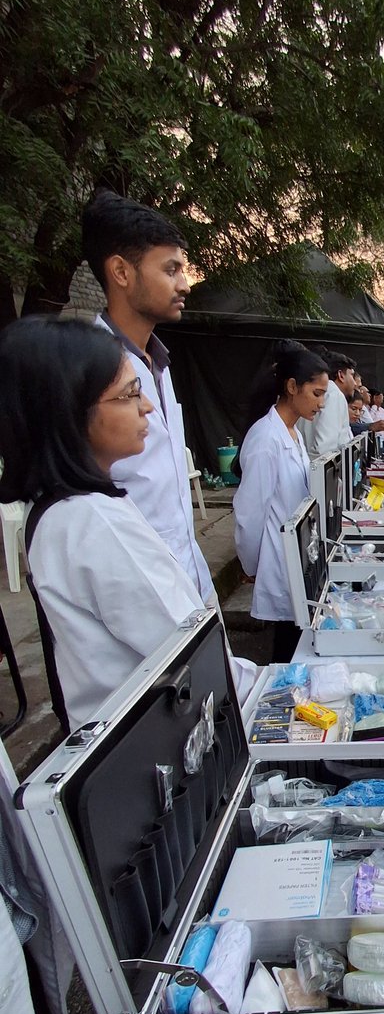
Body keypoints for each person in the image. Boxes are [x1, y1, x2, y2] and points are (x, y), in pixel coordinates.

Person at [0, 318, 257, 729]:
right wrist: (280, 689)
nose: (148, 407)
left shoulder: (60, 510)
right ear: (70, 409)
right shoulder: (94, 522)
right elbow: (191, 649)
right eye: (129, 394)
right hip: (155, 742)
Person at [82, 189, 214, 601]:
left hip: (183, 576)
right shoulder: (89, 373)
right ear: (121, 272)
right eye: (171, 269)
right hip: (135, 594)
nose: (185, 285)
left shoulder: (155, 361)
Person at [233, 345, 328, 662]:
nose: (321, 403)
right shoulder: (265, 438)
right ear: (291, 386)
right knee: (287, 651)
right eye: (316, 393)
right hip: (277, 560)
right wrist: (252, 566)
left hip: (297, 556)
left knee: (295, 640)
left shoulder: (294, 433)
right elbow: (249, 515)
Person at [299, 348, 355, 456]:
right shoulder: (334, 394)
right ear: (341, 375)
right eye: (352, 375)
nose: (355, 383)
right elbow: (324, 450)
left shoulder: (308, 392)